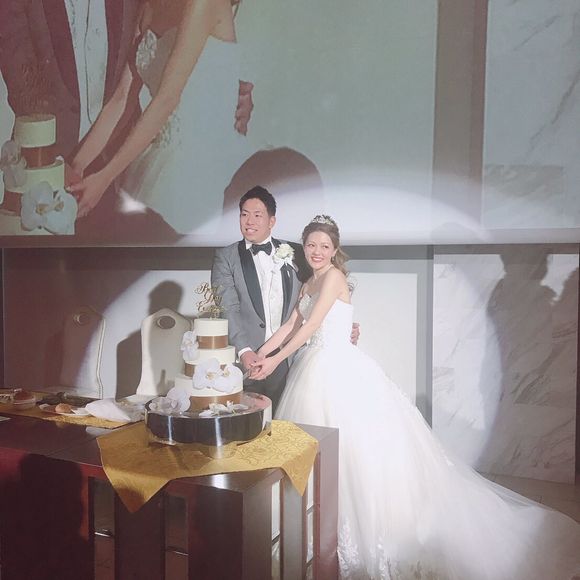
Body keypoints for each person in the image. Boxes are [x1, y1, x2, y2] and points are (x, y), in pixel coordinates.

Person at [250, 215, 580, 579]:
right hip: (313, 367)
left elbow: (313, 325)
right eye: (311, 245)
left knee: (354, 450)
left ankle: (351, 533)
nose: (316, 251)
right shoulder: (309, 281)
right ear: (303, 247)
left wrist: (276, 360)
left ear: (334, 249)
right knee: (313, 450)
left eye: (324, 246)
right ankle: (311, 525)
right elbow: (290, 325)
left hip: (337, 369)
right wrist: (258, 354)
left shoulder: (334, 277)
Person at [68, 0, 252, 235]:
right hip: (158, 161)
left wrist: (104, 178)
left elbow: (166, 99)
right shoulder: (150, 6)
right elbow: (121, 98)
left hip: (201, 170)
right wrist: (76, 168)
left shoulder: (204, 3)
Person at [211, 186, 359, 411]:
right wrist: (252, 352)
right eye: (244, 214)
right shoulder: (226, 257)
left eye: (257, 215)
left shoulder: (297, 253)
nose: (250, 221)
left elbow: (322, 313)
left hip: (296, 359)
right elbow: (229, 307)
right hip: (253, 358)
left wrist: (346, 326)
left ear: (272, 221)